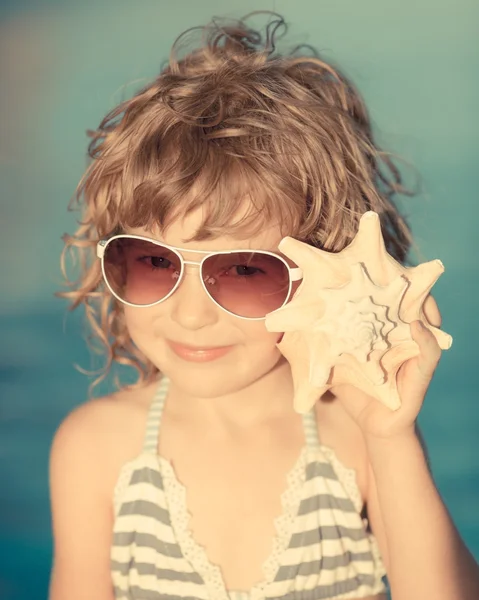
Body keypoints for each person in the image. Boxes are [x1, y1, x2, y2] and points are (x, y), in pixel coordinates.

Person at [48, 12, 479, 600]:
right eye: (153, 262)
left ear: (330, 266)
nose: (192, 314)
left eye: (245, 271)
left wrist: (392, 436)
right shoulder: (96, 448)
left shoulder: (356, 439)